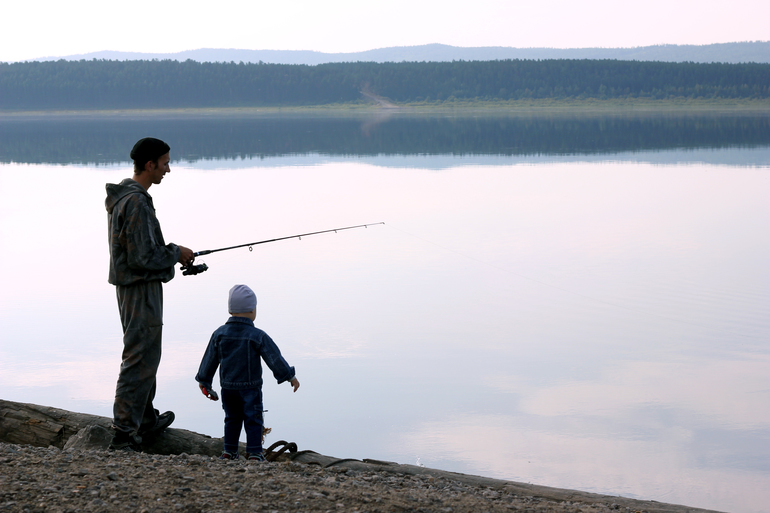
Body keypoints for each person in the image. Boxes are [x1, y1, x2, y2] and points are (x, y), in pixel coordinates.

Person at [105, 137, 195, 451]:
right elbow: (141, 258)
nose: (168, 170)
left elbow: (139, 252)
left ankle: (144, 420)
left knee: (146, 354)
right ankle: (123, 434)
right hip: (139, 291)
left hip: (134, 289)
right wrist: (175, 252)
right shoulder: (135, 202)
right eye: (165, 163)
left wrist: (173, 255)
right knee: (139, 356)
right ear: (149, 164)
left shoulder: (128, 197)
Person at [195, 284, 300, 461]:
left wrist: (204, 381)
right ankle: (254, 453)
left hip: (227, 387)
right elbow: (274, 358)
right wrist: (289, 376)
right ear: (252, 310)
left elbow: (209, 360)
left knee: (232, 419)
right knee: (253, 419)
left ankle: (229, 452)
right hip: (250, 388)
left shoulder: (219, 334)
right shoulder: (257, 335)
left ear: (230, 310)